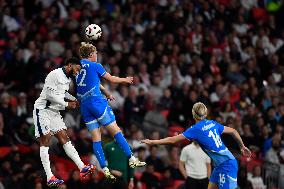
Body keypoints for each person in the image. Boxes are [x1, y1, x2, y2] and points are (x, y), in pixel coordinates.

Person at [75, 42, 146, 180]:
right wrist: (125, 79)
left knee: (96, 139)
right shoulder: (96, 65)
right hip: (96, 102)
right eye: (95, 53)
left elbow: (94, 81)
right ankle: (131, 158)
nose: (97, 56)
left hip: (84, 106)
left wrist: (106, 92)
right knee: (116, 131)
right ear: (90, 55)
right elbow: (111, 79)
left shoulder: (77, 67)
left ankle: (104, 167)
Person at [142, 102, 252, 189]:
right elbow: (233, 131)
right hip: (219, 165)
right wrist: (242, 146)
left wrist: (152, 142)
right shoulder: (212, 123)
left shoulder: (195, 129)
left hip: (227, 165)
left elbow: (172, 140)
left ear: (193, 114)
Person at [33, 58, 96, 187]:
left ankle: (82, 167)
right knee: (45, 140)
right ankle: (50, 177)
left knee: (65, 138)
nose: (78, 72)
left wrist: (75, 99)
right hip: (43, 110)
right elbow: (50, 95)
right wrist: (67, 104)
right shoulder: (54, 74)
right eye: (77, 69)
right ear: (70, 65)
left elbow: (63, 93)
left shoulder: (67, 79)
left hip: (55, 112)